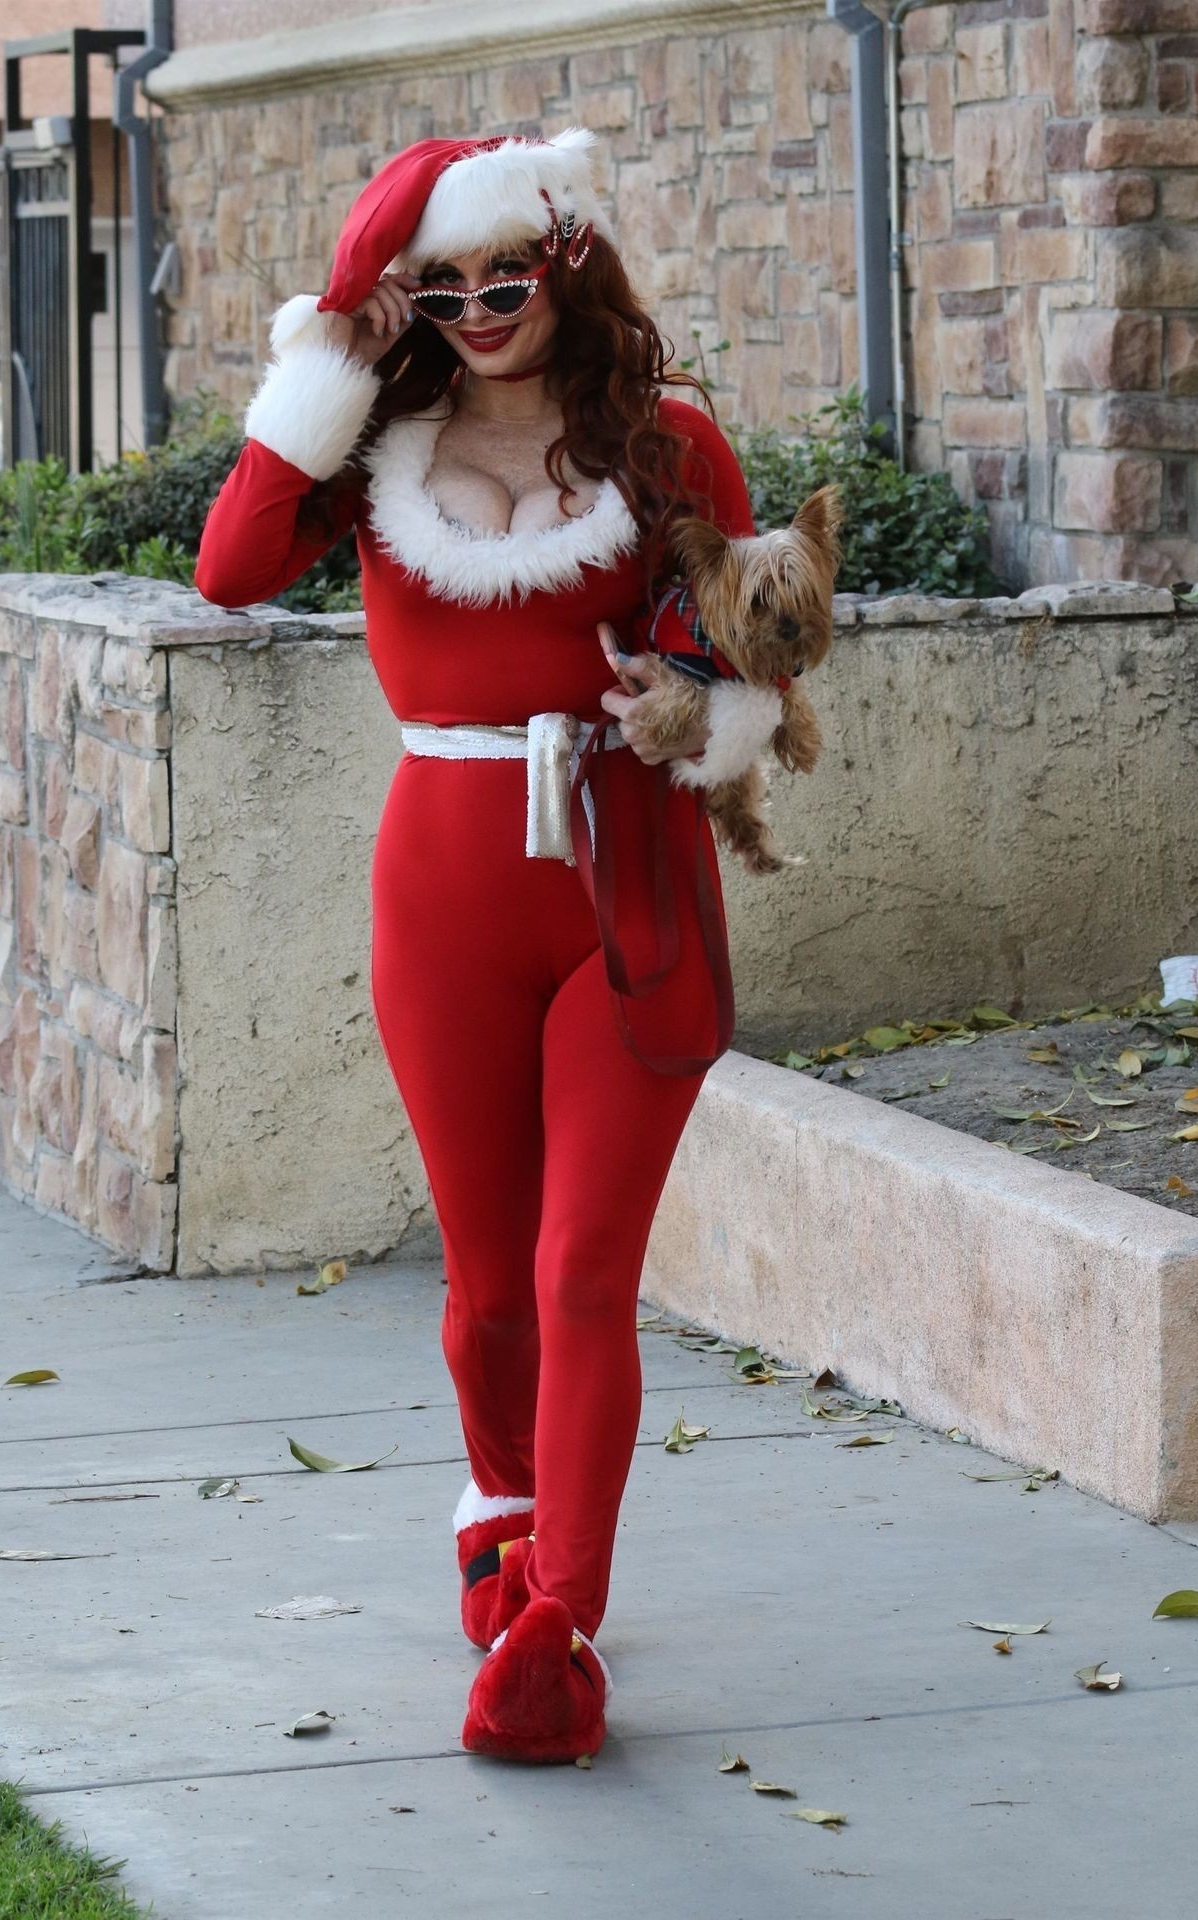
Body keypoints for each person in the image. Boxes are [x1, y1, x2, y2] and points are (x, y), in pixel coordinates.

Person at [194, 127, 780, 1765]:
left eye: (503, 271)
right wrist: (330, 366)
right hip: (443, 896)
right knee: (486, 1282)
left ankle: (558, 1626)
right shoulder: (375, 451)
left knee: (583, 1271)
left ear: (564, 254)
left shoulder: (668, 444)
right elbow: (230, 571)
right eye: (437, 287)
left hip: (626, 886)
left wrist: (701, 709)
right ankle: (501, 1504)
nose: (478, 307)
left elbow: (760, 659)